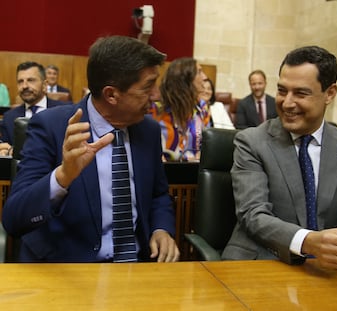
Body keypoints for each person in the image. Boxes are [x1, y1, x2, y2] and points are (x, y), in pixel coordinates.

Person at [2, 35, 180, 263]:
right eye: (148, 87)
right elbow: (14, 218)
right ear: (111, 94)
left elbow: (158, 195)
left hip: (137, 269)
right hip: (68, 271)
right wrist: (63, 177)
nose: (156, 96)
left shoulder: (149, 131)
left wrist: (161, 229)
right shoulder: (52, 127)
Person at [222, 46, 337, 270]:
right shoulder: (251, 141)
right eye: (282, 91)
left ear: (330, 93)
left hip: (325, 271)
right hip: (258, 264)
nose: (287, 103)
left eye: (300, 93)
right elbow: (253, 214)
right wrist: (309, 242)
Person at [0, 62, 68, 156]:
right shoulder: (9, 117)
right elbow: (5, 147)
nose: (24, 86)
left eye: (31, 80)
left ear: (44, 85)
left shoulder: (63, 112)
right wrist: (4, 151)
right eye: (20, 81)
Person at [150, 57, 208, 161]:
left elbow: (207, 144)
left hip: (193, 171)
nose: (205, 77)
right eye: (199, 72)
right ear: (185, 79)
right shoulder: (155, 110)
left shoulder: (202, 109)